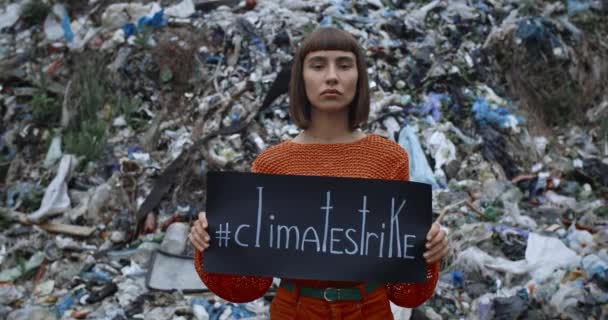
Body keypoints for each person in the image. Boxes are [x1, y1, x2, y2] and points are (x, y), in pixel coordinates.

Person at [189, 26, 449, 319]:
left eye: (344, 64)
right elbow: (249, 287)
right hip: (295, 310)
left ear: (359, 77)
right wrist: (209, 243)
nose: (332, 76)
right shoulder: (272, 164)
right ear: (301, 78)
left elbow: (405, 291)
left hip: (370, 310)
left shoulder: (388, 159)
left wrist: (428, 254)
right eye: (317, 65)